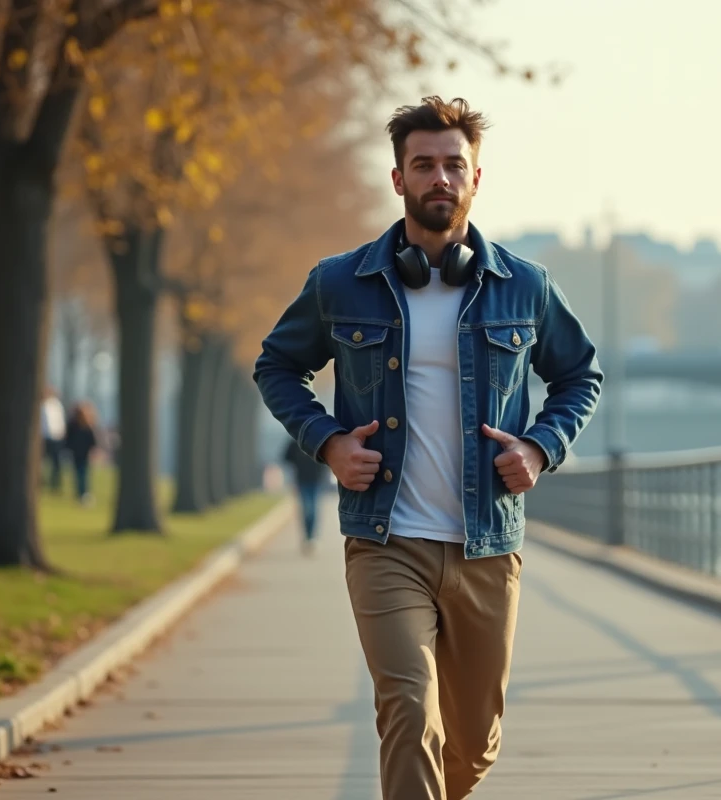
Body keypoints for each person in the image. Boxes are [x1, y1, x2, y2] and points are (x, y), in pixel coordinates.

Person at [253, 96, 602, 800]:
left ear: (477, 178)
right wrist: (326, 444)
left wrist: (539, 449)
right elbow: (276, 366)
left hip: (486, 544)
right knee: (409, 714)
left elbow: (579, 377)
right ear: (398, 179)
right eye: (423, 165)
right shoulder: (339, 281)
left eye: (453, 165)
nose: (438, 178)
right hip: (387, 541)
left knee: (472, 742)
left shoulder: (525, 287)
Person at [282, 437, 327, 554]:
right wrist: (297, 463)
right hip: (302, 480)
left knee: (313, 508)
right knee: (306, 508)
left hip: (316, 480)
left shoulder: (319, 439)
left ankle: (311, 537)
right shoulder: (295, 441)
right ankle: (308, 536)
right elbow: (286, 457)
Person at [64, 400, 101, 505]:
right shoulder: (80, 424)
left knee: (80, 474)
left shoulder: (77, 424)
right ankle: (83, 493)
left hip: (79, 453)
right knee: (83, 474)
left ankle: (82, 493)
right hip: (81, 453)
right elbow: (92, 441)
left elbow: (68, 439)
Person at [41, 387, 67, 492]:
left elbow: (59, 421)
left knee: (56, 462)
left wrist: (62, 433)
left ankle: (55, 483)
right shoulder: (42, 404)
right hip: (44, 437)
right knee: (42, 461)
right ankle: (41, 481)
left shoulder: (57, 405)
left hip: (56, 437)